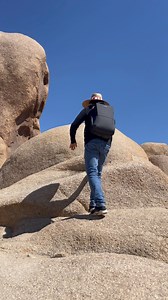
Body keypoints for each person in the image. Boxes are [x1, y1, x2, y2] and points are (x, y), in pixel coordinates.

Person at [69, 93, 113, 216]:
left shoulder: (88, 109)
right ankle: (93, 205)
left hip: (92, 143)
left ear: (91, 100)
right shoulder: (108, 112)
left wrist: (73, 140)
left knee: (92, 173)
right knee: (97, 174)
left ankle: (100, 204)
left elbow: (74, 125)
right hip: (106, 145)